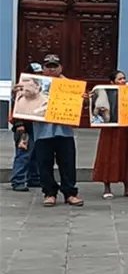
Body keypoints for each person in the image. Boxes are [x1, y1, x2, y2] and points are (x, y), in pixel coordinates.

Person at [23, 54, 84, 207]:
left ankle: (70, 193)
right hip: (42, 131)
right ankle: (49, 193)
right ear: (43, 68)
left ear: (60, 68)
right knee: (44, 164)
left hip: (64, 131)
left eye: (54, 66)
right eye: (48, 66)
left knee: (68, 163)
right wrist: (19, 93)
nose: (51, 69)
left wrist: (82, 98)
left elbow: (78, 105)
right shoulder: (33, 85)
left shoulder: (70, 85)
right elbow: (23, 103)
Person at [92, 70, 128, 199]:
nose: (123, 81)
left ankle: (127, 187)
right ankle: (107, 187)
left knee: (126, 155)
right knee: (108, 155)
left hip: (126, 128)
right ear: (112, 82)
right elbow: (95, 109)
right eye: (119, 79)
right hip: (110, 128)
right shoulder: (105, 92)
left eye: (124, 78)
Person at [9, 62, 43, 192]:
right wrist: (19, 125)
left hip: (37, 125)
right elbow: (16, 108)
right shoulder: (20, 89)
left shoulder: (41, 87)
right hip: (24, 127)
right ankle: (18, 181)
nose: (37, 76)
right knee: (23, 153)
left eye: (40, 74)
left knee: (36, 154)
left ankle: (34, 178)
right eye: (35, 74)